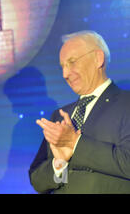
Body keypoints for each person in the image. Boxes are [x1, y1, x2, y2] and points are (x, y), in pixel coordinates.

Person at [29, 30, 130, 193]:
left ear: (98, 58)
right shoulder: (60, 115)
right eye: (62, 67)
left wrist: (75, 144)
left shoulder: (126, 103)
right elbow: (38, 181)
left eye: (72, 62)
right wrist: (60, 164)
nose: (65, 74)